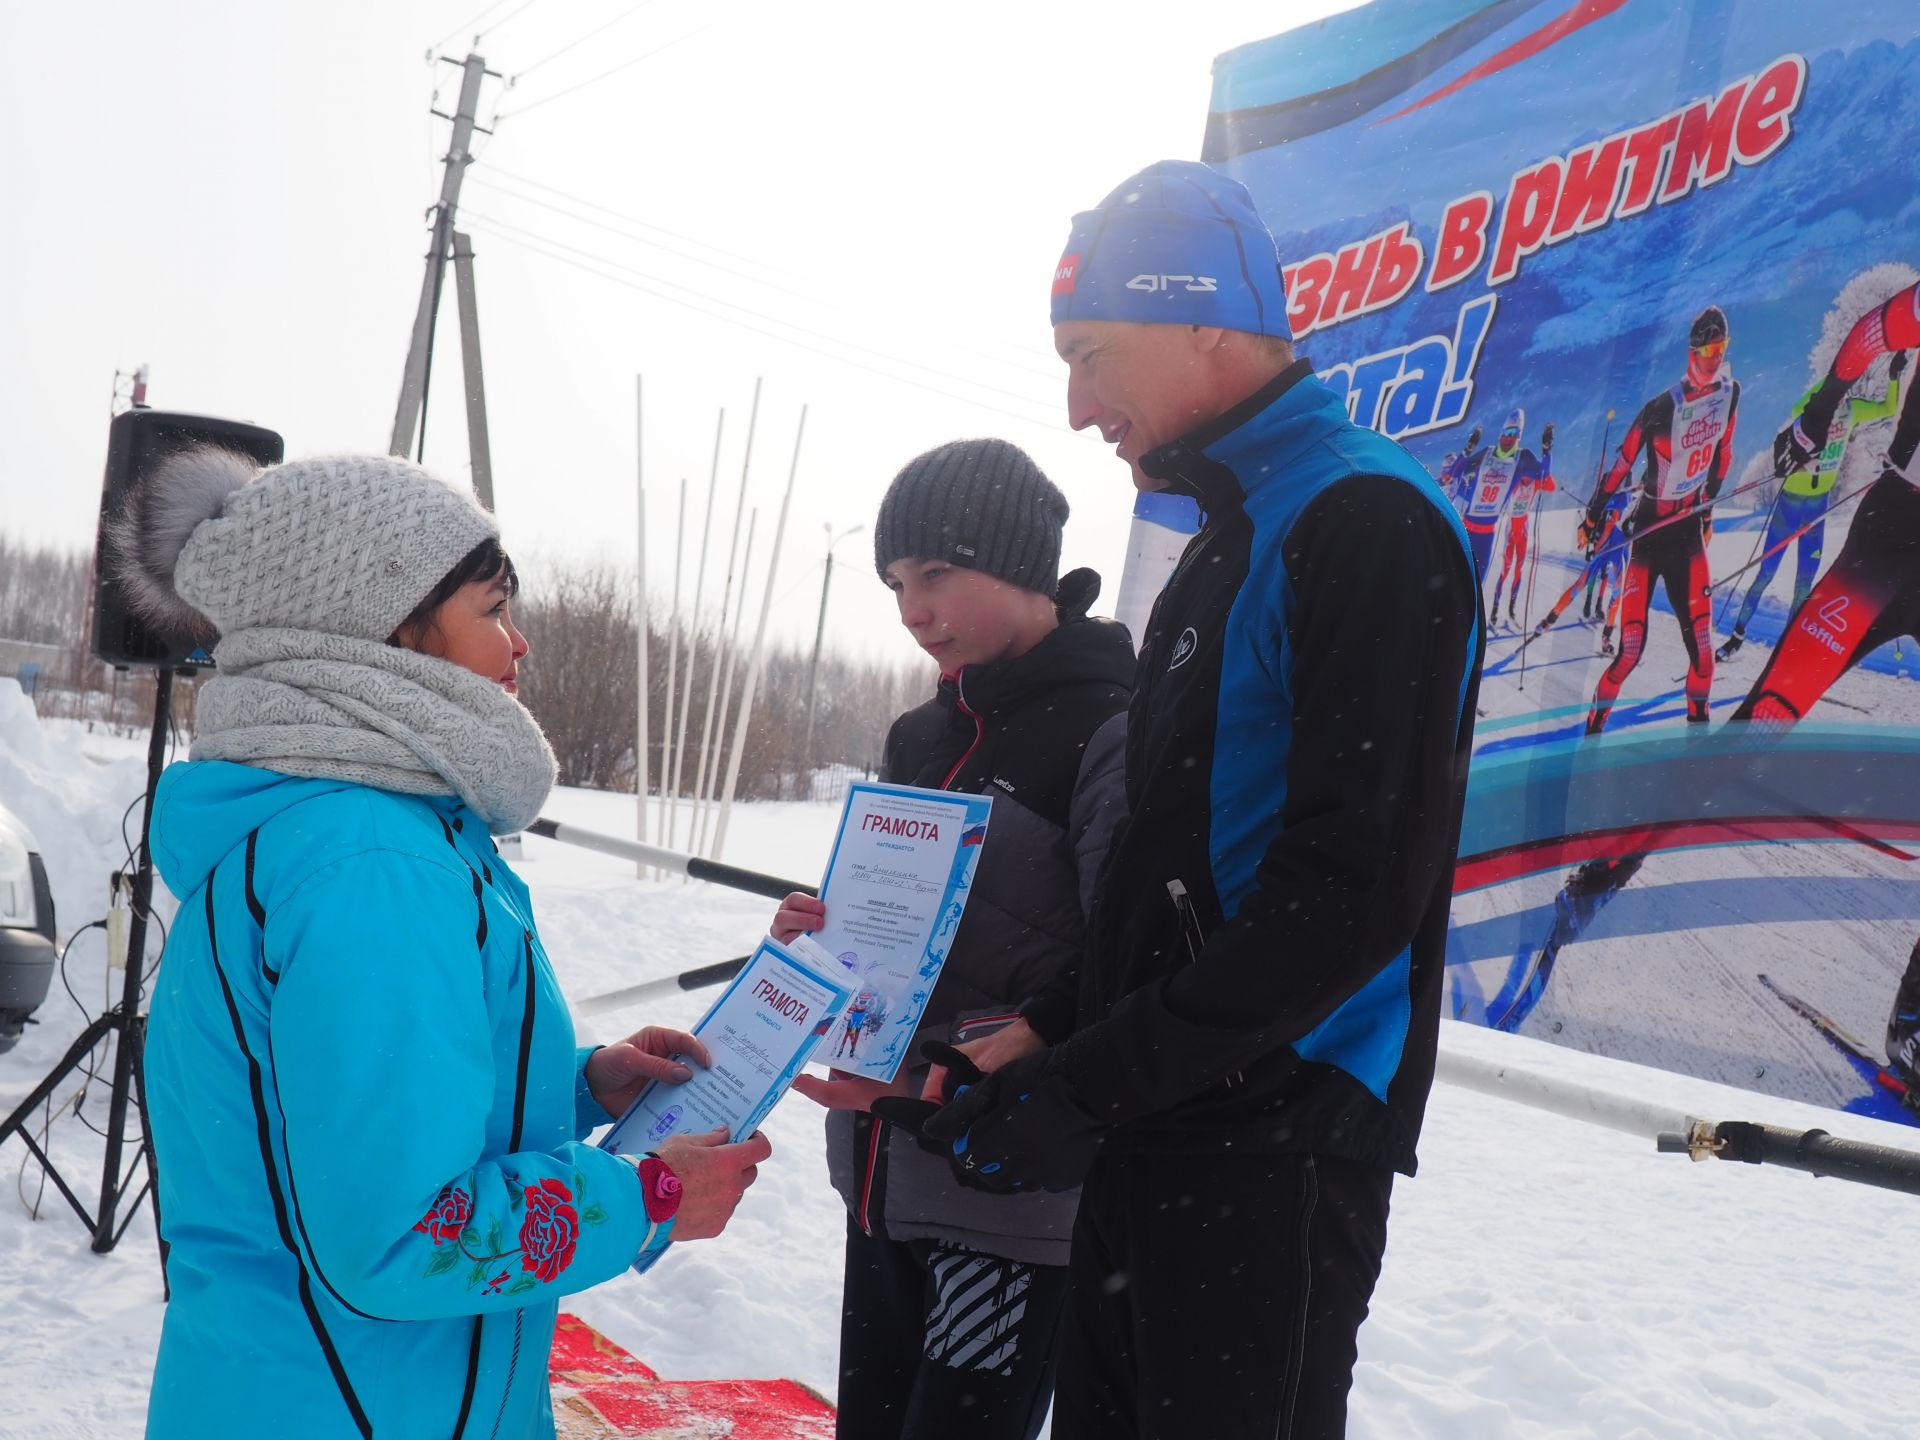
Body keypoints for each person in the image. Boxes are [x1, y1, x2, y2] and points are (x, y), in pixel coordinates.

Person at [874, 160, 1484, 1439]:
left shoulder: (1363, 516)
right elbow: (1175, 870)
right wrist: (1053, 1028)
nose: (1079, 403)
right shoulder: (1223, 534)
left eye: (1094, 355)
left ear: (1203, 314)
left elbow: (1352, 892)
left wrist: (1089, 1083)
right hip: (1163, 1121)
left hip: (1277, 1138)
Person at [114, 448, 770, 1439]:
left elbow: (334, 1123)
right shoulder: (370, 861)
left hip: (300, 1388)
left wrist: (580, 1089)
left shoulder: (341, 829)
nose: (521, 641)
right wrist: (649, 1196)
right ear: (386, 635)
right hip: (363, 1408)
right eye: (491, 609)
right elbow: (402, 1235)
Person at [774, 438, 1133, 1440]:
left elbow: (1125, 965)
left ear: (1022, 566)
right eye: (895, 582)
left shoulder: (1110, 729)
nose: (912, 610)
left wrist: (991, 1074)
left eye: (937, 574)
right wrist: (821, 930)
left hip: (1007, 1197)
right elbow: (902, 928)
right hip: (883, 1170)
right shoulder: (921, 735)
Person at [1717, 348, 1907, 661]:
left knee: (1803, 584)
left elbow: (1888, 408)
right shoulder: (1815, 403)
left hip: (1818, 508)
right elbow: (1796, 412)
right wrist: (1824, 391)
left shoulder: (1854, 410)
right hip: (1789, 505)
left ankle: (1786, 649)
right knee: (1765, 574)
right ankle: (1737, 635)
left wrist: (1893, 377)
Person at [1449, 407, 1551, 611]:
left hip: (1487, 537)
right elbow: (1456, 471)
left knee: (1472, 595)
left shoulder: (1522, 458)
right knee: (1451, 583)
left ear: (1519, 436)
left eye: (1514, 433)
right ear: (1500, 433)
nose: (1508, 438)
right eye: (1506, 432)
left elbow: (1544, 476)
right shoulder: (1486, 453)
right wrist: (1468, 449)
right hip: (1466, 529)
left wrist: (1547, 450)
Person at [1486, 414, 1557, 629]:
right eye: (1526, 472)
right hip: (1511, 529)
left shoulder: (1535, 482)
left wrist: (1547, 452)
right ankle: (1495, 609)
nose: (1528, 476)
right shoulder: (1515, 480)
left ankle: (1511, 608)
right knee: (1506, 570)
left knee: (1518, 570)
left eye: (1531, 472)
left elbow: (1550, 484)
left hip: (1524, 527)